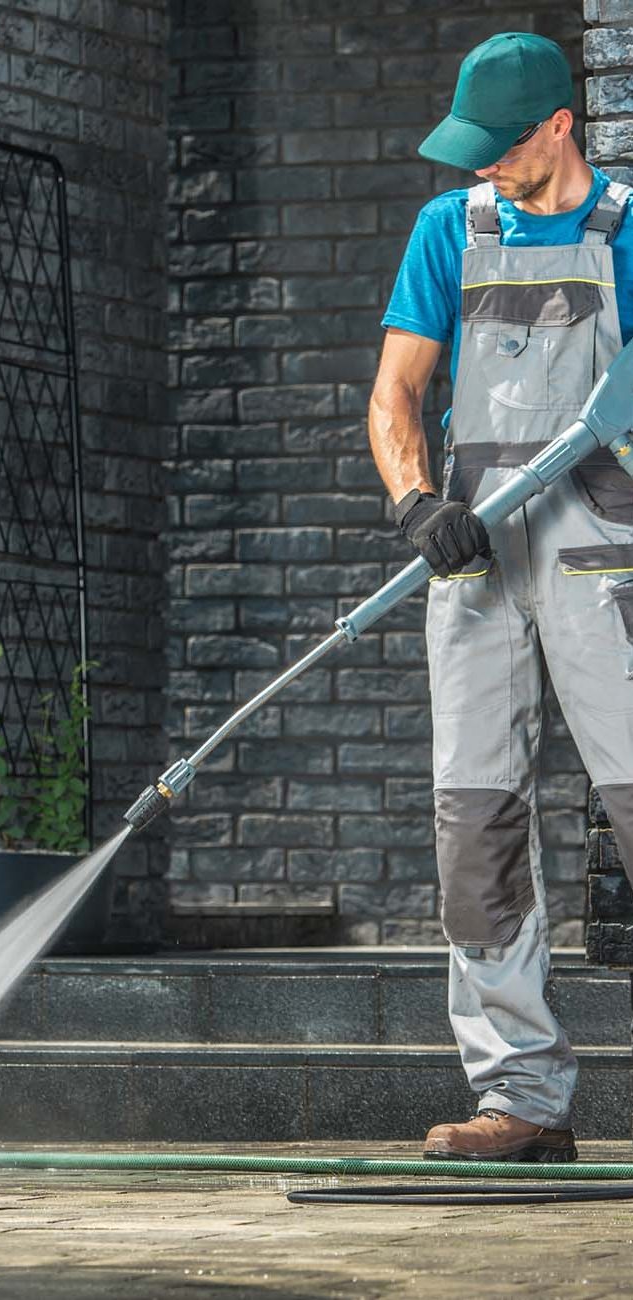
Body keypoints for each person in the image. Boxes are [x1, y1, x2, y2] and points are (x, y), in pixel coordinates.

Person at [369, 31, 633, 1162]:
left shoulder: (625, 230)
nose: (480, 167)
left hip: (603, 561)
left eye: (498, 146)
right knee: (472, 828)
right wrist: (416, 506)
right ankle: (520, 1097)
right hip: (471, 568)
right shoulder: (449, 231)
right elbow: (394, 394)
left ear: (558, 126)